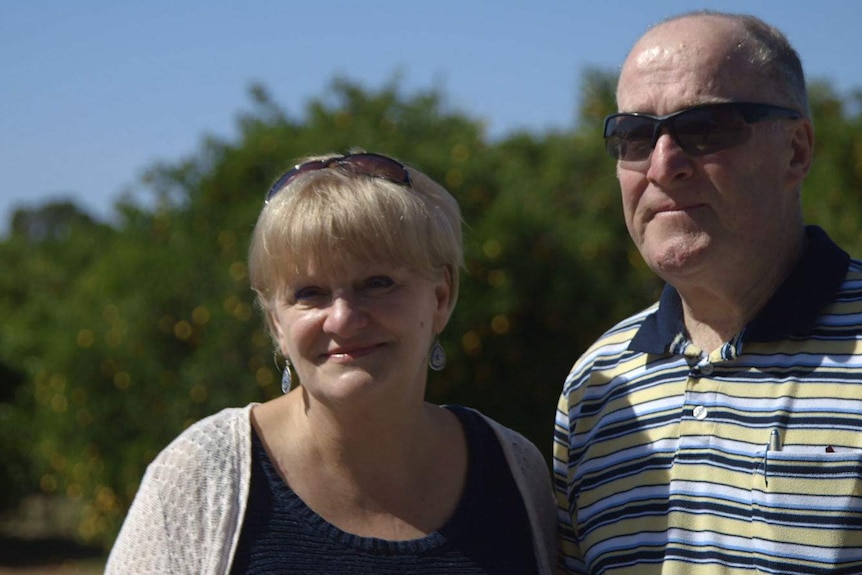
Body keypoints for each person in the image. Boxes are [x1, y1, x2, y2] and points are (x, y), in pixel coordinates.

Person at [105, 151, 557, 574]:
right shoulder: (202, 476)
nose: (342, 319)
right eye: (309, 293)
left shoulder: (515, 472)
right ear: (276, 324)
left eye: (378, 283)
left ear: (441, 297)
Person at [554, 10, 862, 575]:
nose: (663, 165)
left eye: (706, 128)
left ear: (797, 150)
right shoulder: (595, 389)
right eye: (635, 135)